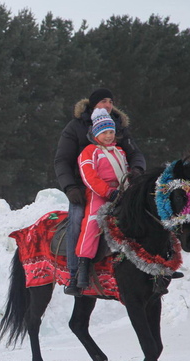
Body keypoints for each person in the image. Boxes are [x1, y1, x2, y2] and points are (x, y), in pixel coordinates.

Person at [54, 88, 146, 296]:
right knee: (79, 220)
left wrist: (137, 171)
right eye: (103, 101)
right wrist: (70, 187)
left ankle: (152, 266)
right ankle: (75, 272)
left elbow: (134, 154)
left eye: (111, 101)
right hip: (83, 187)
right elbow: (62, 160)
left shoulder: (118, 128)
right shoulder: (75, 127)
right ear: (93, 104)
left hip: (120, 187)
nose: (107, 104)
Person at [75, 108, 128, 290]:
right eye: (104, 132)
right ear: (96, 133)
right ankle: (82, 266)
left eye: (111, 132)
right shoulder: (90, 152)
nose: (108, 136)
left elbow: (125, 173)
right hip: (99, 193)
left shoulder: (119, 151)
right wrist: (107, 191)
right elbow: (89, 176)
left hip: (122, 191)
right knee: (92, 222)